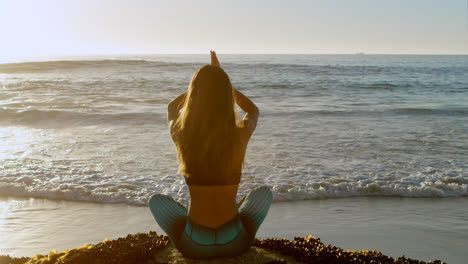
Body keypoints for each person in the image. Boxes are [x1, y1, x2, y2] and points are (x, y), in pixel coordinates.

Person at [148, 51, 272, 259]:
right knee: (264, 193)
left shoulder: (181, 134)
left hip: (194, 243)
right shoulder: (239, 134)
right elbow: (253, 110)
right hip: (236, 241)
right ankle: (240, 228)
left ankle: (182, 237)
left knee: (156, 201)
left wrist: (197, 90)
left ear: (194, 94)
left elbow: (171, 108)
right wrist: (223, 84)